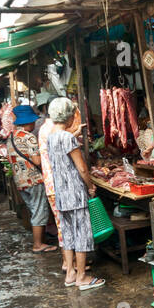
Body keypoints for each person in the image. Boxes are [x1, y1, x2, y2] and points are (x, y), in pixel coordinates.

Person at [46, 98, 103, 290]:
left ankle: (70, 274)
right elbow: (82, 169)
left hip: (61, 194)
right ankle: (82, 277)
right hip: (75, 194)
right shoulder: (68, 138)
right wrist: (90, 187)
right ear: (69, 117)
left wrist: (75, 133)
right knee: (82, 235)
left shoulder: (51, 136)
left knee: (68, 235)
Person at [6, 104, 55, 253]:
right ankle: (38, 245)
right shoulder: (29, 137)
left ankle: (40, 241)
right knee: (40, 211)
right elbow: (38, 161)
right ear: (28, 122)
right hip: (34, 180)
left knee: (34, 210)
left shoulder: (11, 137)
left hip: (20, 181)